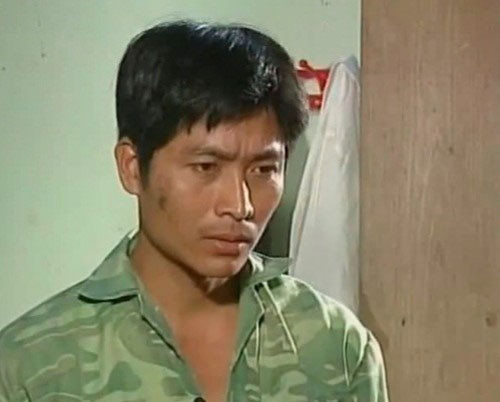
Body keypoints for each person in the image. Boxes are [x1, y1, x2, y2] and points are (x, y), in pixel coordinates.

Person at [0, 21, 389, 402]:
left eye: (264, 170)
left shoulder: (336, 347)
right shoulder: (32, 369)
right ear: (132, 167)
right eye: (206, 167)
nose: (240, 206)